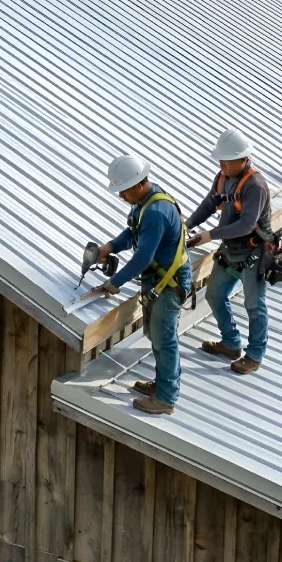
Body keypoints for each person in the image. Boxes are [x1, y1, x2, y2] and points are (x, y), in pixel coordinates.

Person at [93, 155, 191, 415]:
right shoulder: (145, 202)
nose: (122, 196)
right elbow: (133, 233)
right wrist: (110, 247)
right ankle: (162, 385)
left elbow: (144, 256)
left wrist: (115, 282)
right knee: (156, 336)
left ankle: (166, 399)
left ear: (138, 184)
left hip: (169, 283)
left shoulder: (156, 213)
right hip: (158, 280)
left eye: (124, 191)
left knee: (164, 338)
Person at [184, 130, 272, 375]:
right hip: (230, 250)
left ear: (243, 159)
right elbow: (209, 204)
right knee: (214, 295)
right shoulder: (223, 177)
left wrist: (209, 236)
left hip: (254, 253)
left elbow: (245, 224)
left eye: (226, 160)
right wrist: (187, 225)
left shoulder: (255, 185)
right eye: (220, 160)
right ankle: (231, 343)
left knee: (254, 305)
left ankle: (254, 355)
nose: (221, 164)